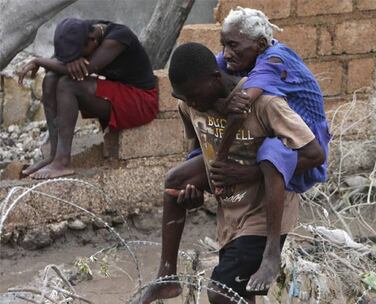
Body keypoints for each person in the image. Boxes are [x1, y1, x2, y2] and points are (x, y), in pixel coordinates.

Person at [137, 43, 323, 304]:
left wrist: (247, 173)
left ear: (214, 78)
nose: (190, 103)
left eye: (193, 95)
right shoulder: (190, 105)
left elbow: (315, 154)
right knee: (175, 182)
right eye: (183, 98)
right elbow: (198, 149)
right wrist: (196, 190)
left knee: (221, 293)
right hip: (230, 216)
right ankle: (166, 276)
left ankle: (272, 255)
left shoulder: (263, 104)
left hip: (265, 215)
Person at [17, 18, 158, 179]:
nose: (75, 59)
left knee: (67, 84)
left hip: (140, 101)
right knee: (50, 78)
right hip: (117, 94)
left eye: (79, 54)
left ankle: (63, 162)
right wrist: (69, 59)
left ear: (93, 41)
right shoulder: (83, 31)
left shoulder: (118, 38)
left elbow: (85, 70)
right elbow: (61, 62)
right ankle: (54, 154)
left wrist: (37, 60)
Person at [212, 6, 331, 194]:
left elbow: (240, 107)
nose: (226, 53)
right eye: (223, 45)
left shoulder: (275, 60)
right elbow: (203, 75)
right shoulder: (237, 55)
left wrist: (220, 161)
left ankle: (269, 216)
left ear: (260, 44)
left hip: (304, 148)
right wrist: (219, 103)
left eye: (233, 45)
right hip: (274, 130)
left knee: (270, 152)